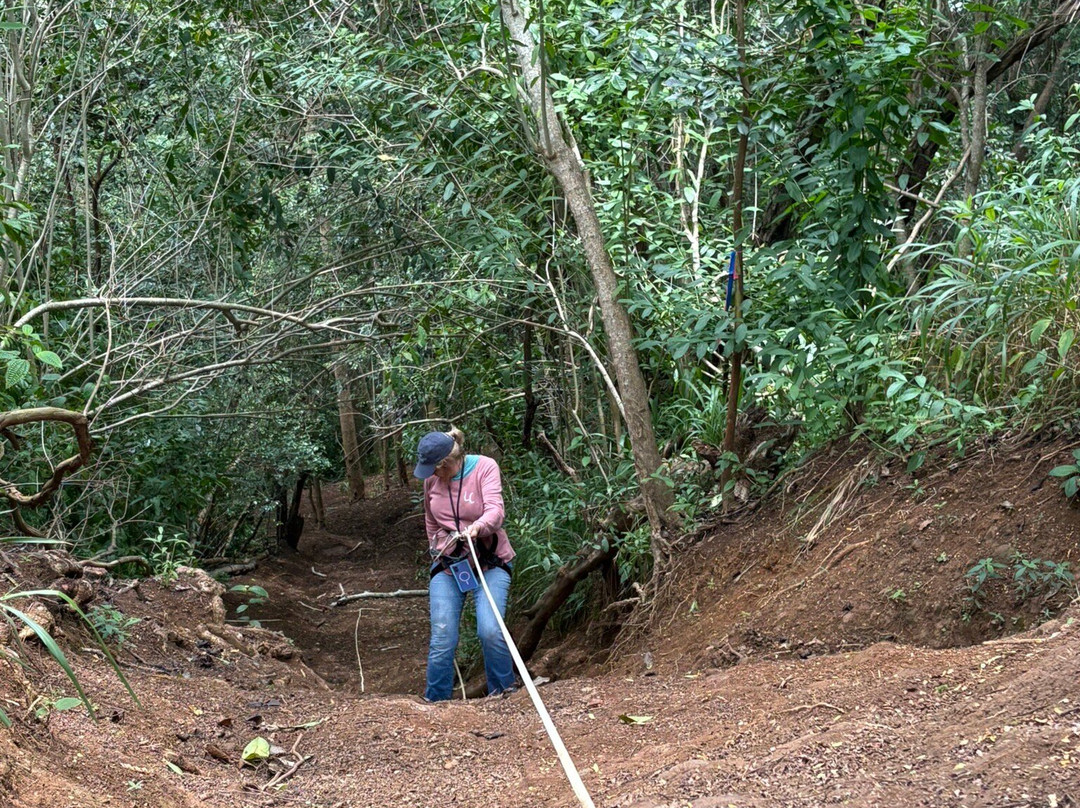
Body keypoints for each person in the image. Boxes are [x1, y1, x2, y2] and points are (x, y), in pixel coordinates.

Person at [413, 428, 517, 701]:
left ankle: (504, 694)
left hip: (489, 561)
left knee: (490, 629)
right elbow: (431, 520)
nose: (431, 476)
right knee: (443, 635)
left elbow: (496, 510)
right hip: (450, 564)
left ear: (445, 464)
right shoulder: (431, 482)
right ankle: (435, 702)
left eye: (433, 469)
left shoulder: (484, 467)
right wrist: (439, 545)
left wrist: (478, 527)